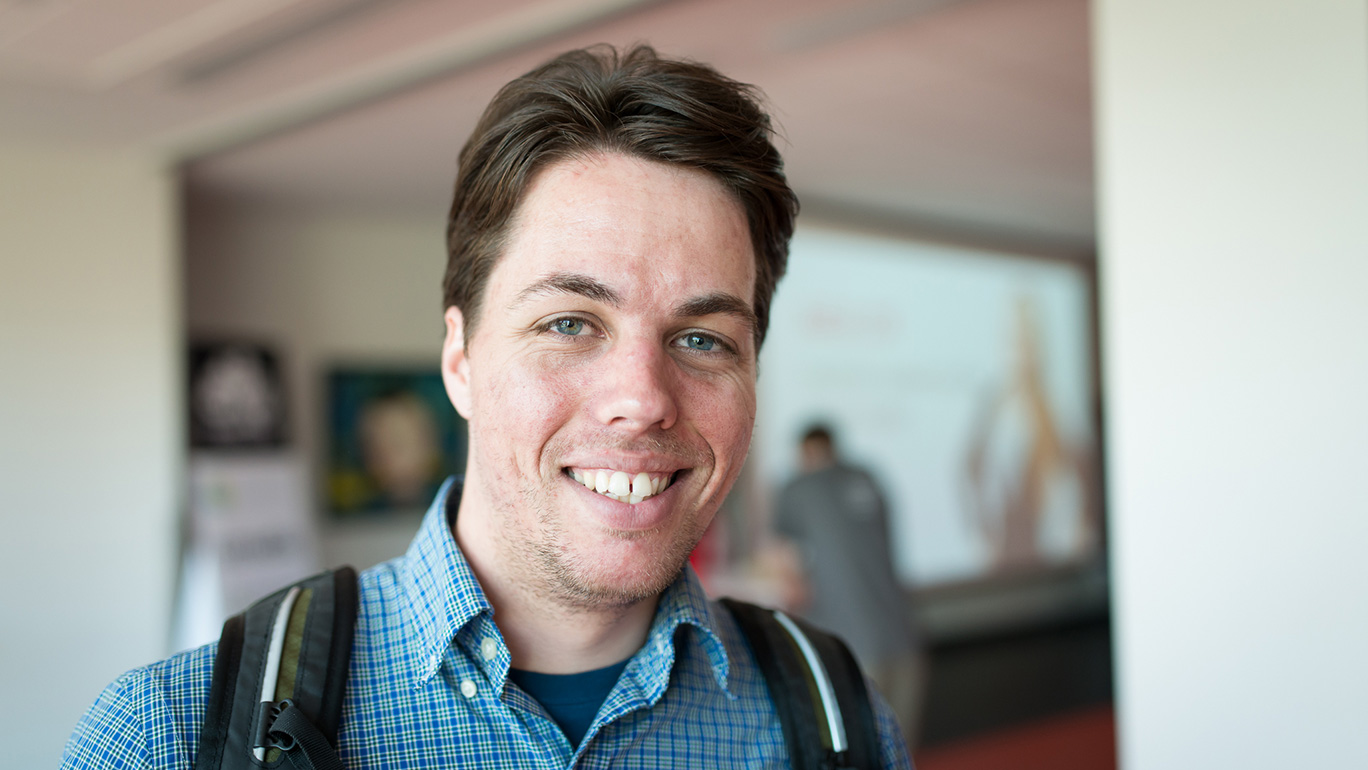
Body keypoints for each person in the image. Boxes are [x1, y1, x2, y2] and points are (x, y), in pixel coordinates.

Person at [62, 44, 912, 769]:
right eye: (571, 323)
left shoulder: (836, 723)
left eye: (702, 339)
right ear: (460, 359)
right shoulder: (171, 738)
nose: (643, 400)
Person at [773, 424, 925, 748]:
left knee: (855, 750)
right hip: (902, 637)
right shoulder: (869, 478)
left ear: (805, 452)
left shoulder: (798, 487)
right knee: (899, 750)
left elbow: (787, 572)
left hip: (848, 648)